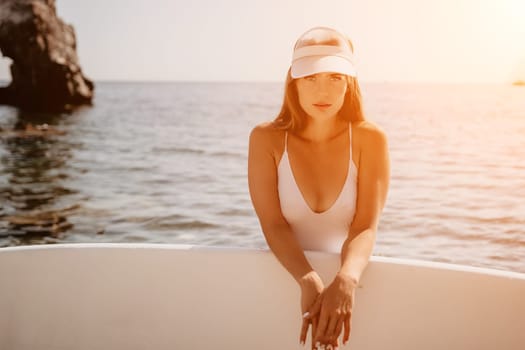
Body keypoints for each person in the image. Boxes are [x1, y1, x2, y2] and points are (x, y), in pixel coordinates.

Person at [248, 26, 390, 350]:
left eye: (334, 78)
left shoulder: (370, 139)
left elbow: (365, 226)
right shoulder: (266, 139)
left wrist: (347, 278)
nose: (322, 91)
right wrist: (308, 278)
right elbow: (273, 223)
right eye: (310, 78)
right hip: (281, 273)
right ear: (293, 83)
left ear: (349, 83)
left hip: (347, 276)